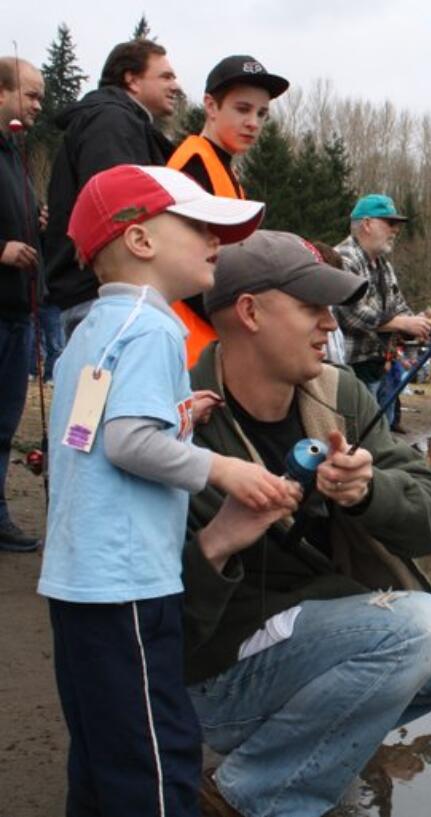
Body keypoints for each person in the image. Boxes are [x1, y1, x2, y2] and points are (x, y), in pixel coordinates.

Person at [184, 230, 431, 816]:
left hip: (317, 632)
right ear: (249, 312)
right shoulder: (178, 416)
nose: (330, 326)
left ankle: (309, 746)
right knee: (416, 626)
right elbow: (151, 615)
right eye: (312, 308)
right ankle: (251, 795)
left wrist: (369, 492)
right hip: (214, 676)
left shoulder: (336, 395)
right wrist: (217, 543)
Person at [37, 165, 283, 816]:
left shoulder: (91, 330)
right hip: (129, 585)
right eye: (199, 227)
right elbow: (126, 442)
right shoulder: (155, 327)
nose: (215, 241)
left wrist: (177, 417)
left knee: (100, 752)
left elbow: (92, 431)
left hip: (79, 583)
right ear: (142, 241)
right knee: (158, 756)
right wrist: (224, 469)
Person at [45, 39, 182, 337]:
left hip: (104, 296)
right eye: (166, 76)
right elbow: (116, 205)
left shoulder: (125, 122)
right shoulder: (111, 121)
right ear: (132, 79)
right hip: (103, 297)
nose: (176, 85)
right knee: (112, 384)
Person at [167, 54, 290, 368]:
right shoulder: (193, 167)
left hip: (209, 343)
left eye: (262, 113)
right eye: (243, 109)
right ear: (210, 106)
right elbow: (182, 265)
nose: (254, 123)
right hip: (190, 349)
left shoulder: (222, 170)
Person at [334, 194, 431, 427]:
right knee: (359, 437)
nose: (396, 230)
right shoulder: (344, 258)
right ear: (367, 224)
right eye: (390, 223)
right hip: (351, 371)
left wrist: (418, 323)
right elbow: (351, 313)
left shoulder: (384, 265)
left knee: (380, 437)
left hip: (379, 369)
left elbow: (399, 305)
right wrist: (402, 324)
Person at [0, 58, 44, 552]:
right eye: (30, 96)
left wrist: (36, 219)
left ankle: (0, 516)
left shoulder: (16, 153)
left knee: (4, 424)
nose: (36, 107)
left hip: (18, 313)